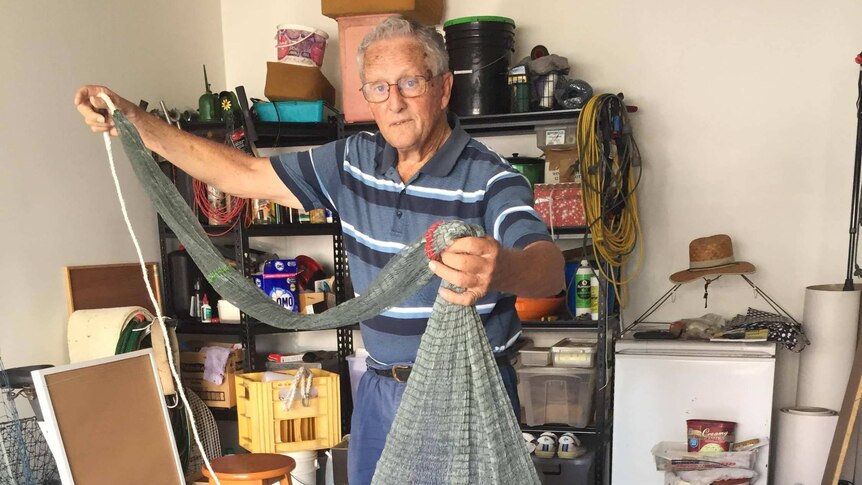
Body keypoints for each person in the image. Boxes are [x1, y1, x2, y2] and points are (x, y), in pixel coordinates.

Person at [75, 15, 564, 485]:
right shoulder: (352, 161)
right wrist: (136, 123)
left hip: (466, 398)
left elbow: (548, 270)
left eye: (410, 83)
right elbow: (241, 175)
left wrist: (503, 269)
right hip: (379, 389)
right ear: (367, 97)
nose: (394, 102)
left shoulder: (489, 177)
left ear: (443, 88)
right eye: (378, 87)